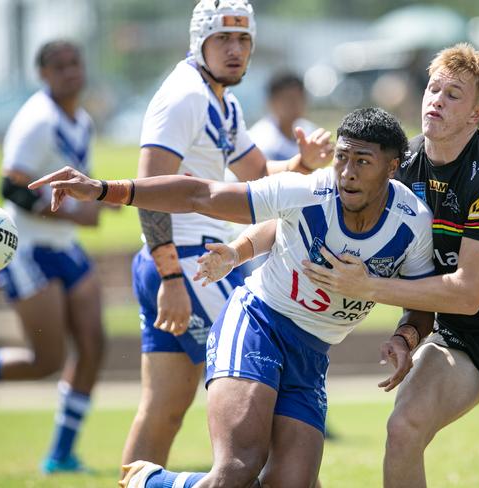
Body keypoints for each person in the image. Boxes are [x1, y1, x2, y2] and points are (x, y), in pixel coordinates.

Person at [30, 107, 436, 488]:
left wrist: (405, 339)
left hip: (313, 352)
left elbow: (421, 303)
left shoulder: (412, 222)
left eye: (362, 161)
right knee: (238, 467)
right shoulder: (309, 192)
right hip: (259, 323)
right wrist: (103, 189)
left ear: (392, 166)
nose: (347, 173)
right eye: (342, 158)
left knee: (292, 484)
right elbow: (201, 194)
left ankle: (158, 483)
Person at [301, 44, 479, 488]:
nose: (436, 99)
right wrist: (408, 332)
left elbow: (466, 291)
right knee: (402, 430)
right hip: (458, 337)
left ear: (477, 113)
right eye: (433, 88)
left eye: (453, 94)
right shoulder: (401, 167)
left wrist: (368, 287)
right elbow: (407, 260)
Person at [121, 0, 333, 472]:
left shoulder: (222, 99)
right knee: (267, 400)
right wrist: (172, 277)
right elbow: (150, 190)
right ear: (200, 42)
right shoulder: (187, 96)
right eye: (223, 39)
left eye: (244, 40)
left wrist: (303, 165)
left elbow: (256, 174)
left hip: (183, 263)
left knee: (164, 410)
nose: (235, 50)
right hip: (190, 263)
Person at [0, 40, 106, 474]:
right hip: (25, 250)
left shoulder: (82, 121)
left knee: (94, 345)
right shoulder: (36, 120)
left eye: (76, 63)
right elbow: (11, 187)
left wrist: (104, 199)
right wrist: (73, 211)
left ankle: (61, 455)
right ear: (44, 75)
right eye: (60, 67)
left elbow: (75, 186)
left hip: (64, 247)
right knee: (46, 361)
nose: (71, 72)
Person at [248, 71, 317, 161]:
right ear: (272, 102)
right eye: (288, 99)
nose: (294, 104)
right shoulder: (261, 139)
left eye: (298, 98)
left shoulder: (310, 131)